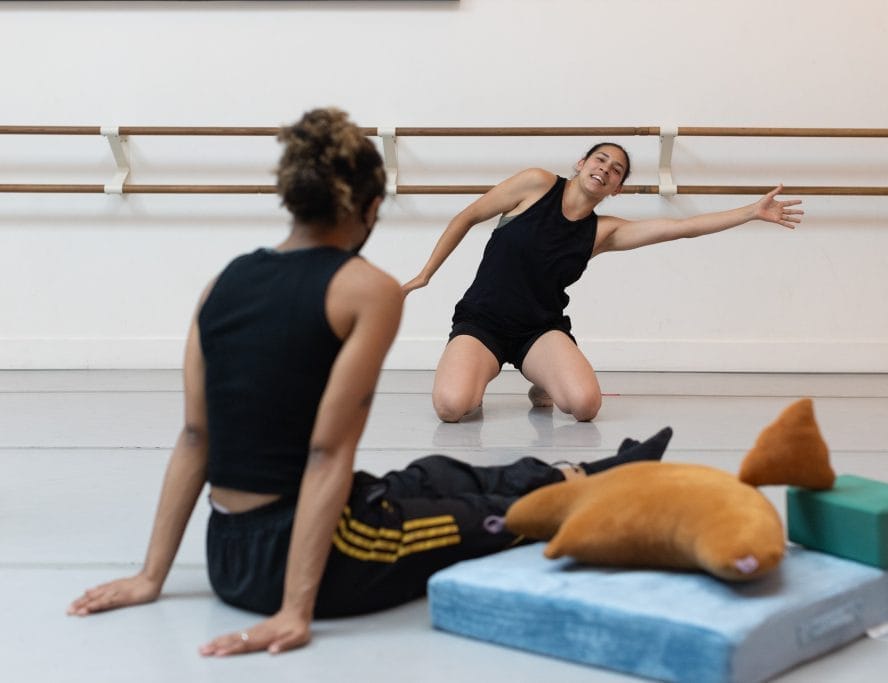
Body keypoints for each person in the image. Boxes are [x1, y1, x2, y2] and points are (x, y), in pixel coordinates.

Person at [66, 108, 675, 657]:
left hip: (228, 556)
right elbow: (328, 453)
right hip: (313, 561)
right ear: (371, 207)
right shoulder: (367, 291)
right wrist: (294, 612)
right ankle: (589, 483)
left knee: (430, 477)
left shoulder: (223, 281)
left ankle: (581, 474)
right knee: (481, 518)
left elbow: (196, 438)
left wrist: (151, 577)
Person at [403, 144, 803, 423]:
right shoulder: (535, 183)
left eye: (616, 170)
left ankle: (540, 382)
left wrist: (751, 211)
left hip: (539, 330)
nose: (606, 169)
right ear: (581, 163)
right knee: (452, 408)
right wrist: (426, 273)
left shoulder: (604, 232)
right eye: (601, 159)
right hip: (482, 322)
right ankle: (479, 375)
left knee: (584, 406)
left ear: (617, 188)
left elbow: (681, 228)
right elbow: (467, 216)